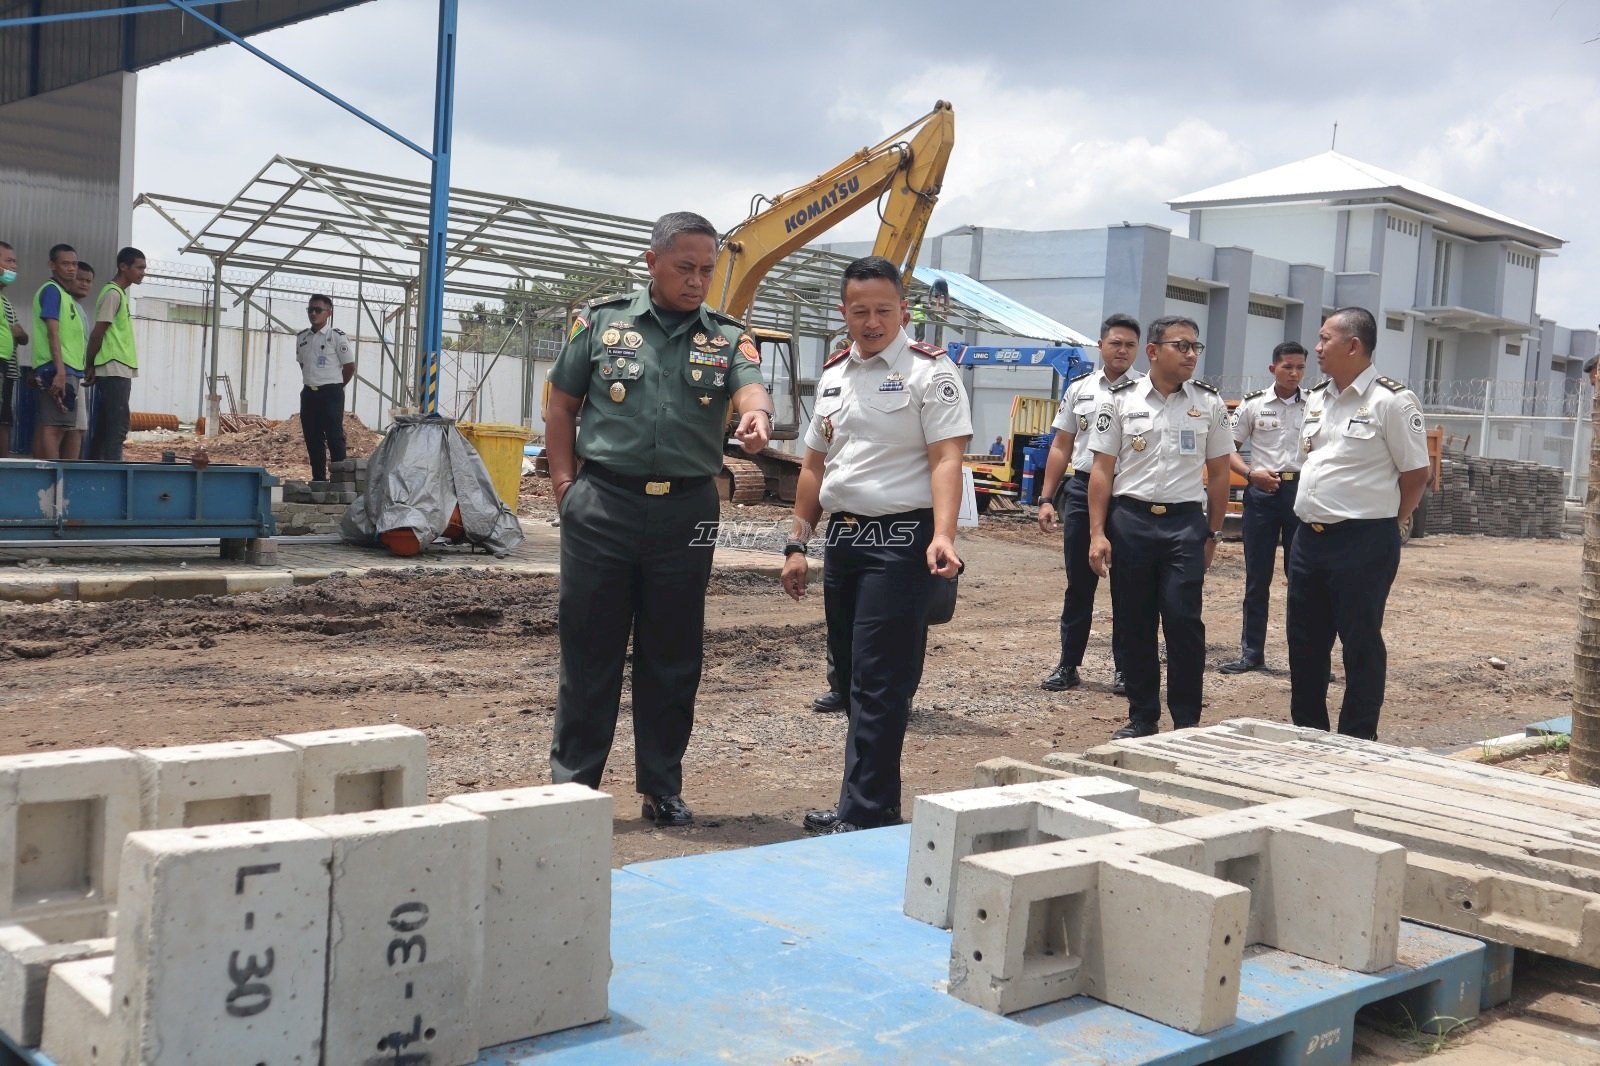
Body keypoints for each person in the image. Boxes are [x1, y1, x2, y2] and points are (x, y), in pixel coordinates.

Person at [546, 211, 773, 828]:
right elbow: (561, 408)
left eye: (707, 270)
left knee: (672, 653)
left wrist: (757, 416)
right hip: (603, 505)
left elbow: (750, 386)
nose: (698, 281)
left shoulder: (725, 336)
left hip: (687, 510)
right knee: (590, 650)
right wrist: (566, 486)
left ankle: (662, 786)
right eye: (686, 268)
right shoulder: (600, 324)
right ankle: (574, 788)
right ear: (653, 262)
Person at [782, 255, 971, 834]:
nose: (871, 321)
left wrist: (943, 535)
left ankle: (864, 812)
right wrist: (797, 543)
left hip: (902, 540)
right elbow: (814, 467)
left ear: (903, 311)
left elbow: (947, 458)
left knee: (879, 679)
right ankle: (865, 803)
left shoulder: (929, 373)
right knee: (850, 677)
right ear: (843, 313)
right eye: (859, 311)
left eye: (882, 310)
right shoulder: (835, 375)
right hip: (844, 539)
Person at [1287, 307, 1429, 740]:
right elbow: (1309, 461)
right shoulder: (1316, 397)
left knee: (1360, 644)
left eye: (1324, 338)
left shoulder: (1391, 401)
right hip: (1308, 541)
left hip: (1364, 541)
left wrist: (1386, 521)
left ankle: (1357, 738)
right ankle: (1310, 734)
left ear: (1353, 345)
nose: (1316, 348)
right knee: (1305, 645)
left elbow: (1416, 474)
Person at [1087, 316, 1231, 739]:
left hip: (1185, 525)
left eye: (1194, 347)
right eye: (1181, 346)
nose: (1191, 355)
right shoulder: (1119, 399)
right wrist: (1098, 532)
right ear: (1154, 351)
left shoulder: (1208, 403)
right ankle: (1142, 715)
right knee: (1134, 622)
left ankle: (1186, 720)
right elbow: (1102, 470)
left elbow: (1220, 473)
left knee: (1184, 621)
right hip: (1130, 522)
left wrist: (1214, 532)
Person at [1036, 314, 1143, 694]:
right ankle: (1068, 665)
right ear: (1101, 345)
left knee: (1127, 588)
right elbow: (1062, 445)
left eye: (1129, 345)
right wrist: (1047, 497)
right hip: (1081, 491)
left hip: (1128, 494)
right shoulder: (1080, 390)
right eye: (1115, 343)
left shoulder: (1147, 393)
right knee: (1079, 584)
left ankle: (1126, 669)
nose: (1122, 350)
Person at [1218, 341, 1309, 674]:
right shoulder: (1253, 405)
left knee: (1302, 578)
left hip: (1302, 495)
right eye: (1287, 367)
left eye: (1300, 367)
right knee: (1257, 578)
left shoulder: (1315, 406)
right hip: (1263, 495)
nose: (1294, 373)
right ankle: (1251, 652)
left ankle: (1306, 657)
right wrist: (1248, 474)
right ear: (1273, 369)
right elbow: (1227, 448)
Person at [84, 247, 146, 462]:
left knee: (106, 425)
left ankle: (96, 468)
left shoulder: (118, 294)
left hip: (117, 366)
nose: (142, 272)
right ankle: (112, 471)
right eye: (139, 267)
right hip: (113, 366)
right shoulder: (112, 293)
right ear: (123, 267)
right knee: (117, 427)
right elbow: (97, 333)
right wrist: (89, 364)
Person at [30, 244, 86, 461]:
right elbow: (52, 333)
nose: (71, 269)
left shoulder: (63, 294)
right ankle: (54, 475)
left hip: (67, 368)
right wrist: (60, 372)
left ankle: (53, 473)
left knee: (59, 425)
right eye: (65, 264)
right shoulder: (52, 291)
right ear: (52, 265)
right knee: (53, 426)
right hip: (57, 368)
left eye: (74, 264)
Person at [296, 294, 355, 482]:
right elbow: (303, 364)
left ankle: (339, 481)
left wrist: (336, 386)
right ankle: (318, 479)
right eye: (310, 309)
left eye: (318, 310)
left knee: (334, 436)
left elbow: (349, 367)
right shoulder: (302, 337)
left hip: (331, 392)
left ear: (328, 313)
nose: (313, 313)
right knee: (312, 437)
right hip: (309, 393)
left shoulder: (336, 336)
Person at [0, 241, 26, 458]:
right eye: (8, 261)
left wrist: (18, 333)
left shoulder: (5, 301)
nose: (13, 267)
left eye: (14, 262)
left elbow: (21, 335)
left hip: (8, 369)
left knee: (4, 418)